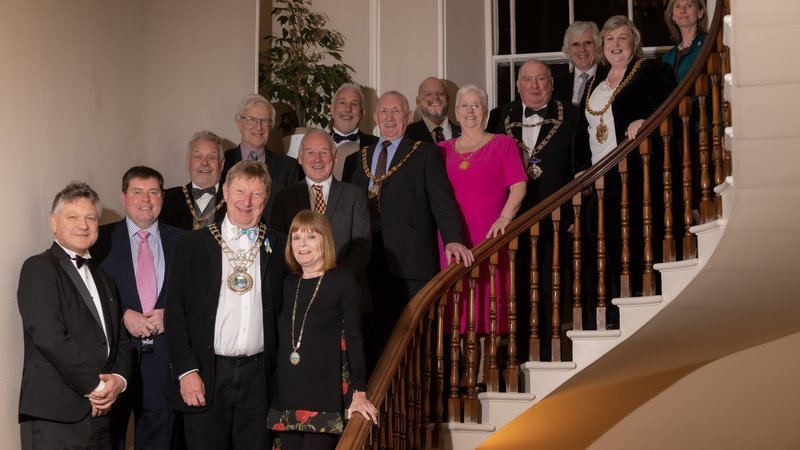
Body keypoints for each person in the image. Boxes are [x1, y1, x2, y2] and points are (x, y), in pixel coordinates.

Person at [342, 90, 473, 370]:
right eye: (384, 112)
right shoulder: (358, 159)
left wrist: (452, 239)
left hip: (412, 262)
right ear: (376, 118)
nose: (390, 117)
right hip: (367, 263)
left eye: (396, 111)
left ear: (408, 116)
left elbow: (442, 201)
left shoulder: (425, 153)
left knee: (416, 339)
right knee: (374, 337)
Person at [165, 160, 287, 450]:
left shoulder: (280, 245)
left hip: (259, 377)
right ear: (225, 192)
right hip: (207, 374)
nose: (246, 201)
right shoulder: (191, 245)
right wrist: (187, 372)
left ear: (266, 199)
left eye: (256, 194)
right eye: (240, 191)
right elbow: (175, 314)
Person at [573, 15, 676, 326]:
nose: (615, 45)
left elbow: (669, 106)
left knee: (627, 242)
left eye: (622, 38)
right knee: (597, 245)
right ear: (603, 47)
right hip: (599, 177)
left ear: (634, 43)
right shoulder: (596, 81)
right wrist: (580, 170)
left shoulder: (651, 72)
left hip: (632, 174)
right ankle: (600, 315)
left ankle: (628, 311)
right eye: (610, 39)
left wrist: (646, 120)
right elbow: (582, 129)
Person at [17, 181, 131, 450]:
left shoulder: (105, 279)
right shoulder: (38, 268)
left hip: (101, 416)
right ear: (54, 222)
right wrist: (96, 387)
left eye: (90, 218)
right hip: (55, 416)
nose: (83, 225)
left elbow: (121, 340)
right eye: (73, 217)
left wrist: (119, 381)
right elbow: (49, 336)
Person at [487, 59, 580, 360]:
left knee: (553, 289)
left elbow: (582, 166)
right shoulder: (499, 117)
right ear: (517, 85)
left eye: (541, 79)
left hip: (557, 218)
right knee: (517, 289)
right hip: (512, 220)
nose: (535, 86)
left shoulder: (573, 115)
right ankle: (522, 355)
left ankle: (552, 354)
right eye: (528, 79)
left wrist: (575, 214)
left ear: (551, 82)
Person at [267, 210, 378, 450]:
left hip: (324, 394)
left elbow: (354, 336)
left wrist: (358, 389)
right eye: (296, 237)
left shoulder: (342, 280)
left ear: (324, 241)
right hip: (287, 394)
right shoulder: (287, 284)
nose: (302, 244)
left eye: (311, 237)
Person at [91, 166, 184, 450]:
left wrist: (172, 314)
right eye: (137, 192)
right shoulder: (99, 240)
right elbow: (86, 295)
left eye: (153, 192)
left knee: (159, 439)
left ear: (163, 198)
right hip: (115, 359)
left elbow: (196, 299)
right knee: (110, 437)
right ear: (123, 197)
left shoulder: (184, 241)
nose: (146, 199)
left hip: (163, 361)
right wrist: (122, 315)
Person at [438, 84, 526, 340]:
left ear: (485, 111)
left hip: (490, 235)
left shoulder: (503, 143)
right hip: (453, 238)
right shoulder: (441, 149)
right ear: (455, 112)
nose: (470, 111)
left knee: (490, 300)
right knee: (457, 303)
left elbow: (519, 187)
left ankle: (484, 374)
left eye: (476, 105)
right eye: (464, 105)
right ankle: (465, 371)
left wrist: (505, 217)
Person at [271, 128, 372, 314]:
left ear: (335, 157)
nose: (317, 159)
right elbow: (279, 246)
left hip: (346, 296)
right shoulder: (283, 198)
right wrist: (307, 279)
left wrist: (332, 279)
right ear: (300, 158)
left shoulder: (355, 195)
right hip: (298, 294)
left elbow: (362, 247)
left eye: (324, 152)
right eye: (310, 152)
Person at [222, 94, 302, 220]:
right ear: (239, 124)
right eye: (252, 119)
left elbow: (293, 215)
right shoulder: (223, 162)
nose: (258, 127)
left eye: (265, 121)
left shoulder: (288, 166)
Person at [161, 130, 227, 231]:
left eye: (212, 157)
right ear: (187, 162)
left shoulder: (236, 200)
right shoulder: (166, 199)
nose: (204, 163)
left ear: (221, 164)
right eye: (198, 156)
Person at [329, 83, 378, 180]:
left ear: (362, 113)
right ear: (332, 109)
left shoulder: (377, 145)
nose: (348, 109)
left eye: (354, 104)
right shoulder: (313, 144)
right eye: (342, 102)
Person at [554, 21, 600, 106]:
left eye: (587, 43)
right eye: (576, 44)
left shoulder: (609, 79)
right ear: (569, 49)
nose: (582, 49)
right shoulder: (557, 86)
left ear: (597, 45)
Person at [405, 77, 462, 144]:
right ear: (418, 102)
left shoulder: (465, 133)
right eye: (428, 94)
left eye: (440, 93)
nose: (435, 97)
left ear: (447, 99)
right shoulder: (407, 135)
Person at [662, 0, 708, 82]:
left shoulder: (707, 44)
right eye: (677, 6)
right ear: (672, 15)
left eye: (689, 5)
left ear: (700, 13)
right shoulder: (668, 57)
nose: (682, 10)